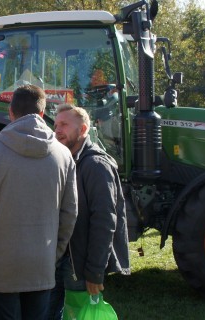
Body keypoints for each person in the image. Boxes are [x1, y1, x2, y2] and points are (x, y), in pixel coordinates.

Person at [0, 84, 78, 320]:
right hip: (41, 264)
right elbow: (70, 213)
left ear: (11, 113)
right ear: (43, 114)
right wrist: (52, 255)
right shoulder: (64, 155)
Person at [49, 104, 130, 319]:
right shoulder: (64, 161)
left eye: (64, 125)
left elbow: (104, 221)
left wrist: (95, 271)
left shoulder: (96, 164)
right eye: (56, 125)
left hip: (79, 265)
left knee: (76, 314)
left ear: (83, 130)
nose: (57, 130)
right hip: (58, 258)